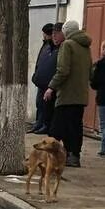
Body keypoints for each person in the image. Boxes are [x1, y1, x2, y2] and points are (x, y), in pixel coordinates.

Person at [45, 19, 92, 167]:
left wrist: (51, 87)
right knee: (75, 127)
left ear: (67, 31)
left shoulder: (67, 45)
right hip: (81, 95)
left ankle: (51, 155)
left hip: (67, 94)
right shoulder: (85, 47)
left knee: (56, 127)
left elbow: (63, 70)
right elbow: (90, 71)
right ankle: (73, 155)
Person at [31, 22, 60, 134]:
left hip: (49, 84)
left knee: (47, 106)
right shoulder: (46, 46)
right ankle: (38, 123)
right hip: (41, 81)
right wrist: (36, 74)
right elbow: (40, 61)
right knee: (39, 103)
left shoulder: (58, 48)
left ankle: (45, 125)